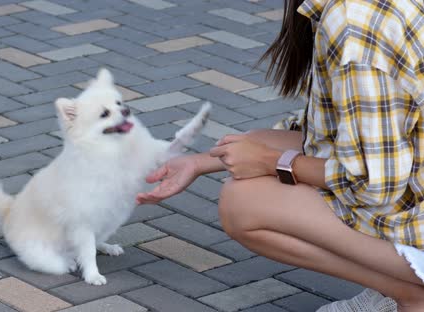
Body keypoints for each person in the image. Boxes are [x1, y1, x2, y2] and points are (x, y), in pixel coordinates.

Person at [136, 0, 424, 311]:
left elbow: (374, 183)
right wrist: (202, 161)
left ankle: (408, 296)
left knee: (244, 202)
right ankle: (395, 287)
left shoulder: (354, 21)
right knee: (260, 141)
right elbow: (325, 130)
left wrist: (269, 162)